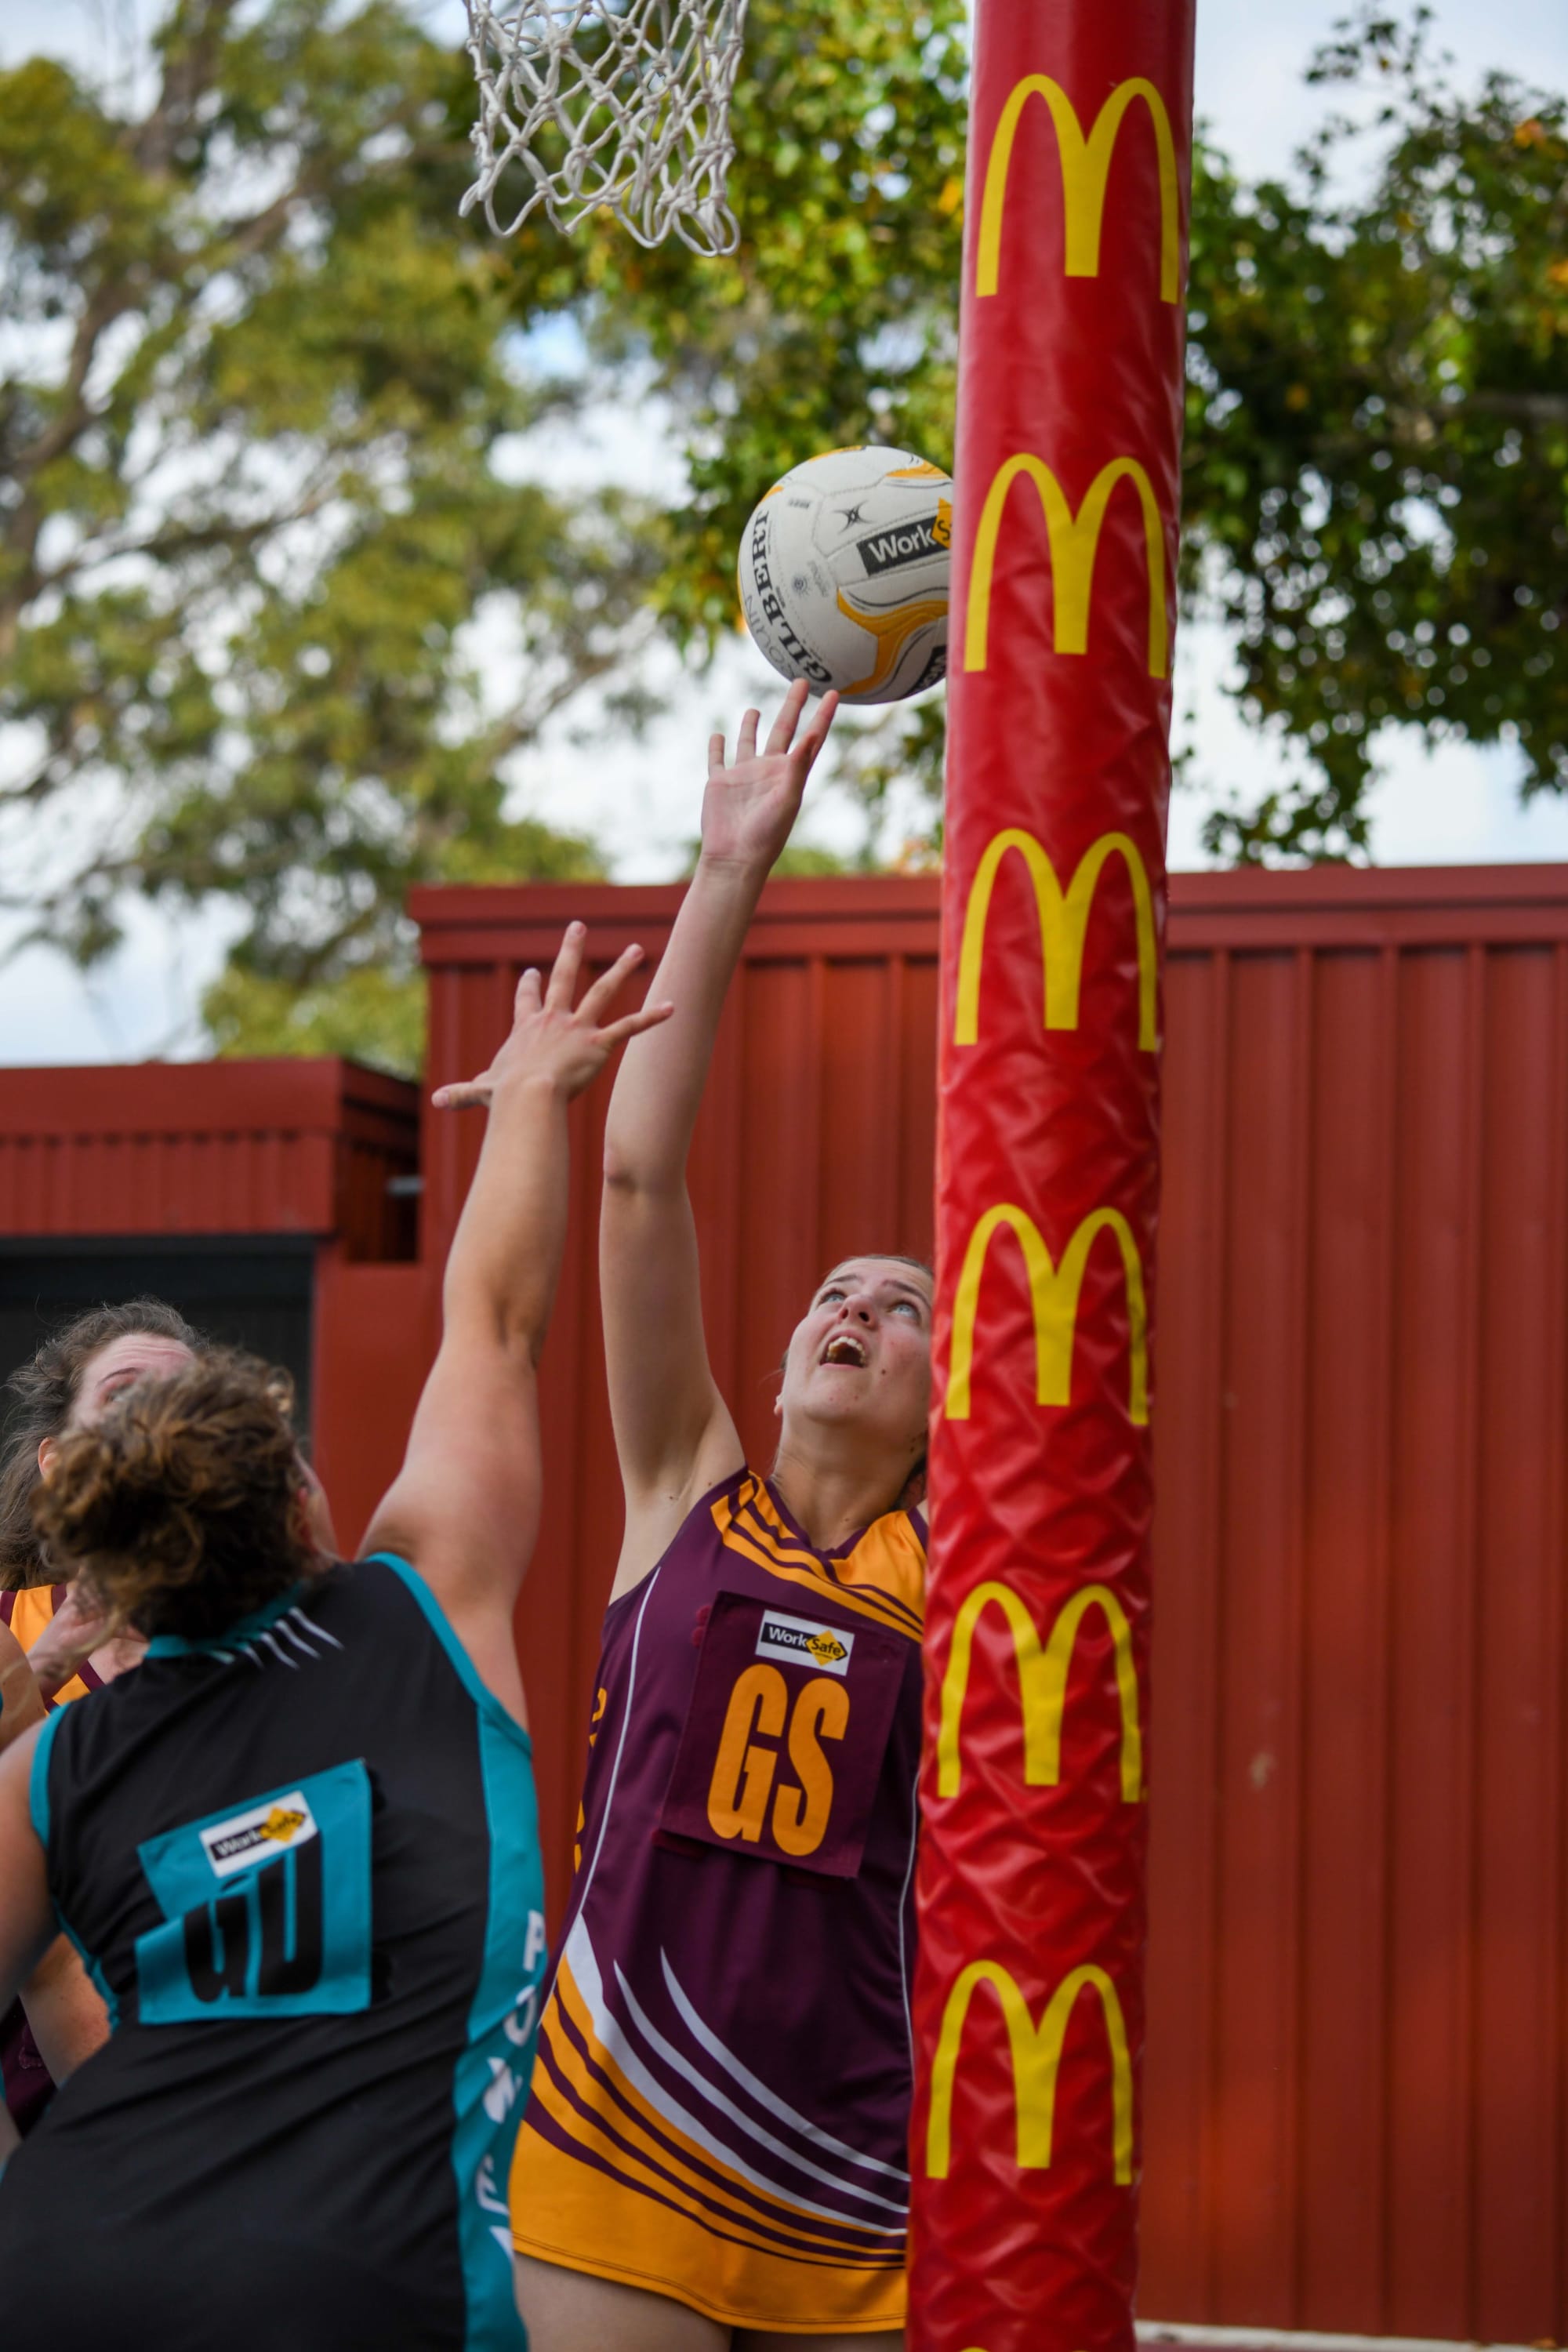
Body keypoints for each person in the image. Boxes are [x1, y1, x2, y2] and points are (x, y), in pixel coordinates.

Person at [0, 927, 669, 2351]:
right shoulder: (421, 1609)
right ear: (302, 1499)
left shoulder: (52, 1767)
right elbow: (494, 1321)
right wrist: (534, 1093)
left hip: (76, 2276)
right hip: (369, 2295)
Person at [510, 683, 930, 2350]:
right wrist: (731, 868)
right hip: (618, 2135)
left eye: (902, 1305)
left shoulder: (957, 1579)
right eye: (834, 1290)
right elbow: (634, 1178)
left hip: (850, 2165)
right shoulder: (688, 1489)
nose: (855, 1308)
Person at [0, 1300, 212, 2133]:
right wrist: (43, 1671)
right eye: (125, 1396)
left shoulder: (279, 1658)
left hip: (230, 2124)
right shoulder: (9, 1634)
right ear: (58, 1465)